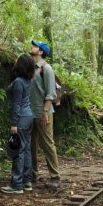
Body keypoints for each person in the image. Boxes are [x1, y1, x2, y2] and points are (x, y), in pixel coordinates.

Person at [2, 53, 36, 194]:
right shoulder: (28, 81)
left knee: (18, 151)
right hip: (29, 117)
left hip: (21, 118)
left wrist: (14, 123)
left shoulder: (18, 82)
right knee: (26, 149)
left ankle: (16, 184)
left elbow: (16, 105)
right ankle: (27, 181)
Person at [29, 39, 61, 190]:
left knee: (47, 144)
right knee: (31, 145)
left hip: (44, 113)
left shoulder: (46, 69)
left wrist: (45, 112)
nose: (32, 47)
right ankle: (32, 174)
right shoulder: (31, 68)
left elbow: (51, 93)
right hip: (30, 113)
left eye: (35, 46)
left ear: (40, 51)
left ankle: (55, 177)